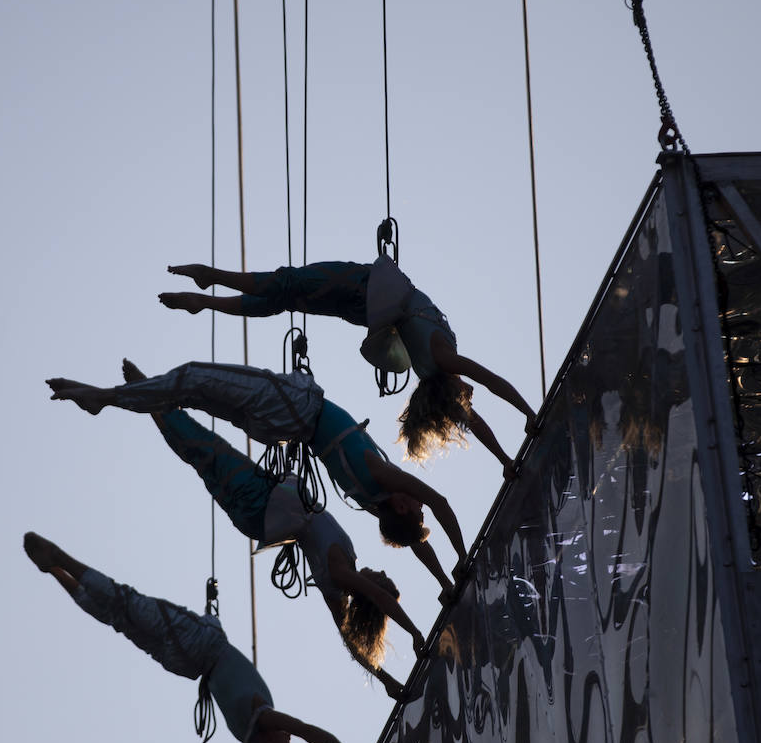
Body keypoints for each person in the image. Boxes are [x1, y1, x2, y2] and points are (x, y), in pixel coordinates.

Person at [120, 359, 427, 696]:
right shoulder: (335, 590)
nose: (377, 571)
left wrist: (414, 633)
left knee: (202, 446)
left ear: (371, 591)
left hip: (260, 503)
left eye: (379, 577)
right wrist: (386, 682)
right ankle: (151, 398)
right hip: (256, 516)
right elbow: (353, 645)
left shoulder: (341, 575)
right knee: (198, 451)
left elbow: (381, 601)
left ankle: (147, 392)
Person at [22, 531, 365, 743]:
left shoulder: (262, 723)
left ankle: (61, 560)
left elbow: (307, 733)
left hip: (200, 643)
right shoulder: (250, 733)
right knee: (118, 620)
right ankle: (55, 571)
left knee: (125, 603)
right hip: (184, 664)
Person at [46, 360, 465, 590]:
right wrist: (445, 581)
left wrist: (461, 561)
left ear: (403, 505)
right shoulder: (372, 501)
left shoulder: (379, 478)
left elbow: (440, 505)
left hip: (293, 407)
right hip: (281, 426)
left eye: (417, 509)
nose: (422, 503)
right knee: (195, 396)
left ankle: (104, 398)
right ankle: (139, 396)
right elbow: (416, 541)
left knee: (194, 378)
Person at [159, 260, 538, 474]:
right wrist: (508, 453)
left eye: (462, 402)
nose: (468, 401)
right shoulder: (436, 370)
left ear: (452, 393)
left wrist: (527, 417)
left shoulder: (443, 363)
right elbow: (479, 413)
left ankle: (213, 281)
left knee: (288, 285)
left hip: (364, 287)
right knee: (286, 298)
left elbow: (490, 382)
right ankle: (205, 300)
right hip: (365, 308)